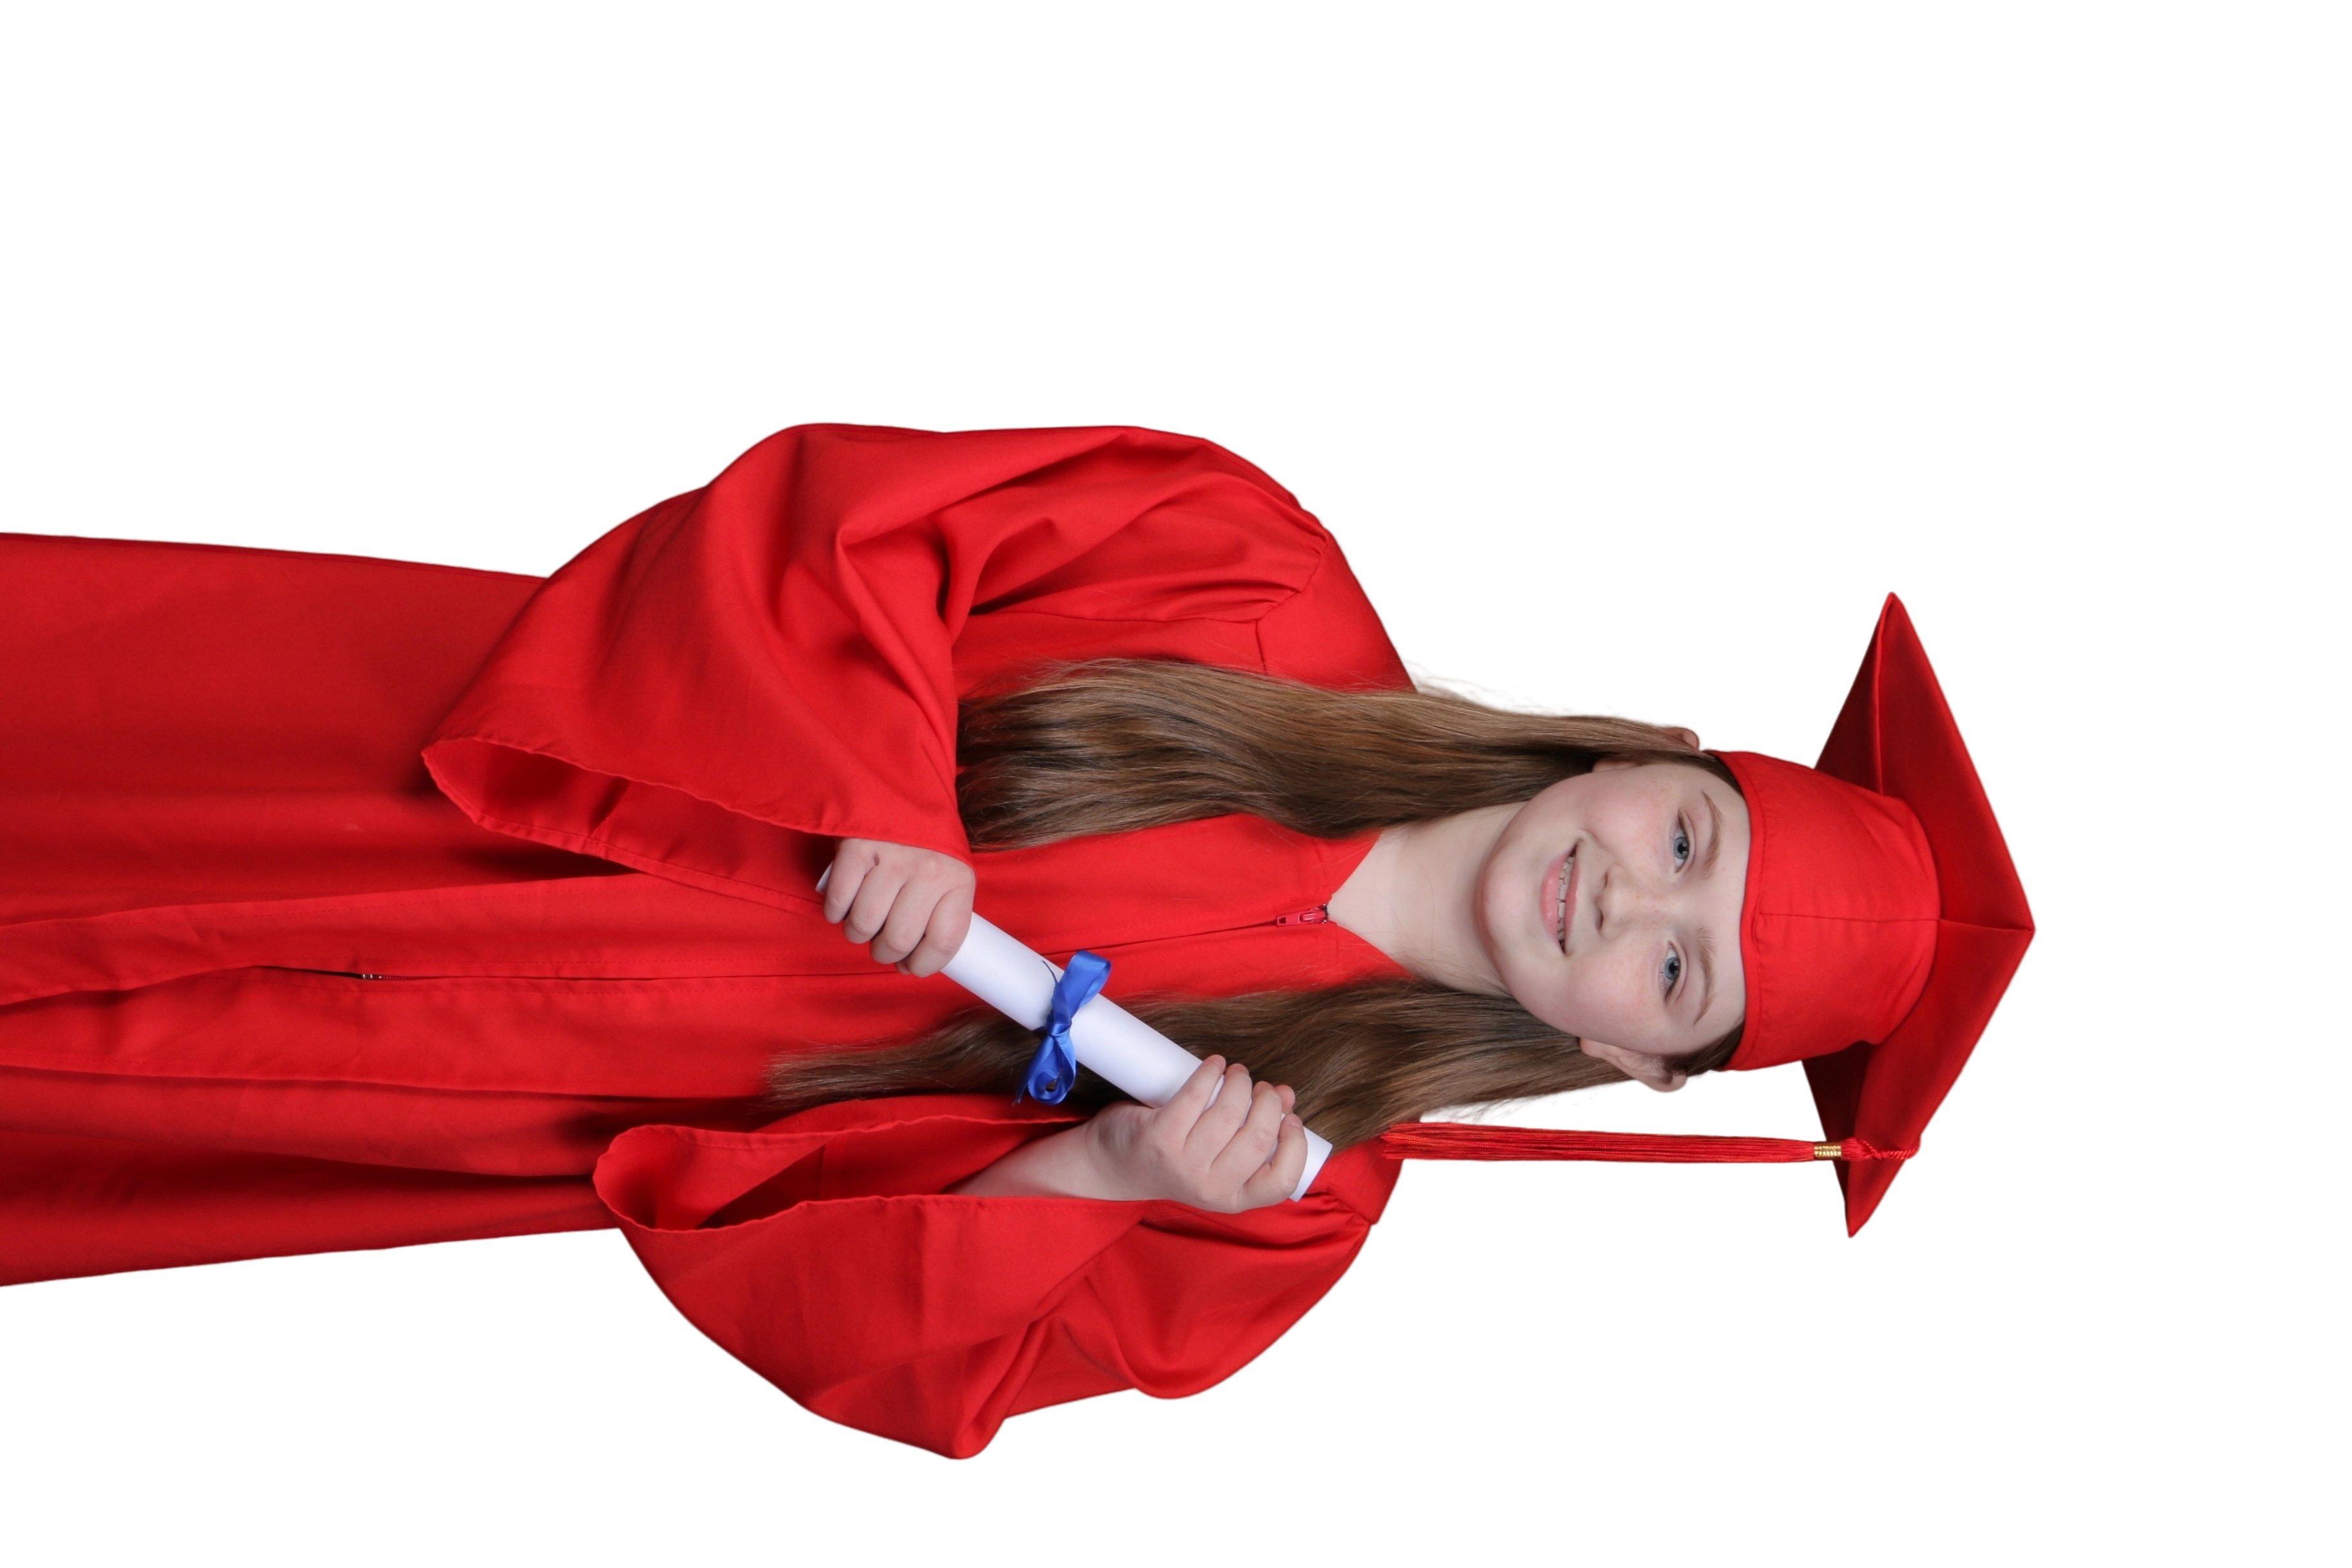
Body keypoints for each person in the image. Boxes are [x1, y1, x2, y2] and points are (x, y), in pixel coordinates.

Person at [0, 420, 2032, 1462]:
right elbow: (839, 523)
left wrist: (1106, 1169)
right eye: (1684, 840)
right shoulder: (1246, 572)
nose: (1625, 898)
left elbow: (877, 1354)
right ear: (1654, 752)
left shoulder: (1283, 1207)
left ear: (1643, 1063)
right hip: (442, 789)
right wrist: (877, 785)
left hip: (485, 1087)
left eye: (1679, 971)